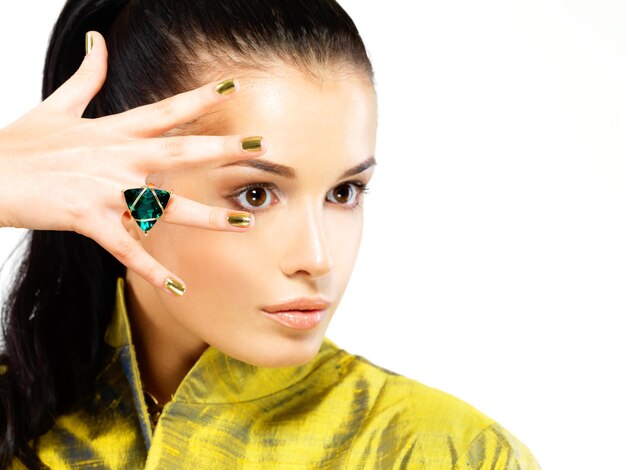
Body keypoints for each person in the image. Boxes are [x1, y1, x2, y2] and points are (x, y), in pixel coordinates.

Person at [0, 0, 541, 468]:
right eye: (255, 194)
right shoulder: (15, 419)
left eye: (344, 192)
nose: (318, 258)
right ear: (133, 198)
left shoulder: (452, 454)